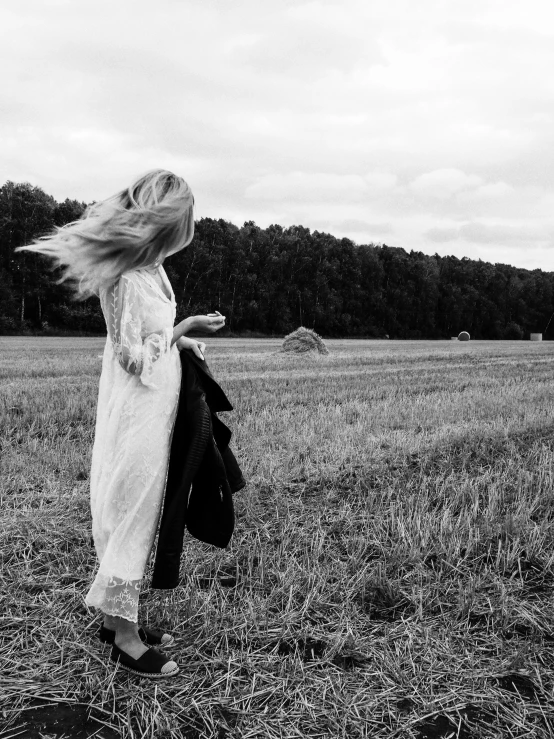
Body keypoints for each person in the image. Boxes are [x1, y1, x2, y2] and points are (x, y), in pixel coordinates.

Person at [16, 169, 226, 678]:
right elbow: (134, 356)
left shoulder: (151, 268)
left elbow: (150, 337)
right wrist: (183, 328)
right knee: (133, 512)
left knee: (143, 508)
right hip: (138, 414)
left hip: (158, 408)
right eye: (182, 222)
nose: (186, 230)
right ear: (162, 223)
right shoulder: (129, 277)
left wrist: (181, 341)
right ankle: (124, 639)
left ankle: (115, 620)